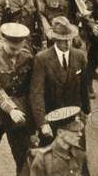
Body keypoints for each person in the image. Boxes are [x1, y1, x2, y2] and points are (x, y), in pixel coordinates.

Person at [0, 23, 34, 176]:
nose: (15, 53)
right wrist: (11, 109)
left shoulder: (28, 57)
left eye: (18, 48)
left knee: (22, 154)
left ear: (23, 43)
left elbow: (31, 87)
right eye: (11, 48)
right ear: (2, 41)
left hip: (18, 115)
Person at [30, 17, 91, 148]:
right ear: (55, 40)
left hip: (73, 117)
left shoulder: (79, 57)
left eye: (69, 39)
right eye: (63, 41)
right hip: (52, 119)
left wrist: (86, 111)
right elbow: (37, 93)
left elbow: (83, 87)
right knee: (51, 159)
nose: (67, 43)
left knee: (77, 155)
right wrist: (42, 123)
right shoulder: (42, 59)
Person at [28, 106, 89, 176]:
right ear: (60, 132)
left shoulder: (80, 154)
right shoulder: (43, 159)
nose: (80, 134)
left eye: (80, 131)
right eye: (75, 131)